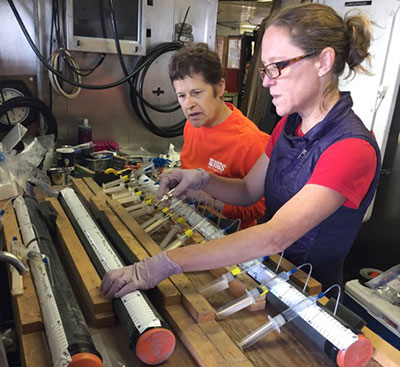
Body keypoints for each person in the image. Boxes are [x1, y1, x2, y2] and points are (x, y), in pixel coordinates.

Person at [101, 3, 381, 298]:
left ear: (323, 61)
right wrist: (202, 179)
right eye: (264, 68)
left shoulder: (351, 148)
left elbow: (275, 236)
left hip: (309, 298)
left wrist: (167, 263)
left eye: (277, 66)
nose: (265, 80)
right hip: (267, 274)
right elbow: (248, 190)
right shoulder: (289, 125)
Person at [168, 43, 270, 229]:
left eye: (196, 93)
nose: (188, 105)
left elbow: (261, 207)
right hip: (191, 221)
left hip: (229, 234)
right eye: (181, 96)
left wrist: (214, 203)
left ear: (220, 87)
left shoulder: (251, 141)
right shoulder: (191, 126)